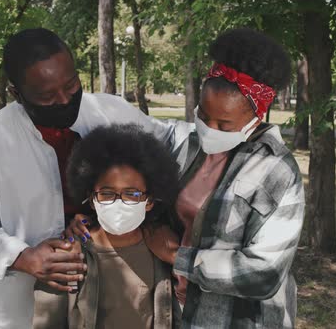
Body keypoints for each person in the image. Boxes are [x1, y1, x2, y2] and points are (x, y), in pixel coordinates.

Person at [0, 28, 184, 328]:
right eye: (47, 95)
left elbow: (169, 146)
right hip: (31, 303)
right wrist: (23, 257)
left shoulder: (110, 110)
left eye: (71, 85)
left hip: (124, 290)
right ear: (18, 94)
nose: (65, 99)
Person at [67, 27, 304, 328]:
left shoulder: (278, 171)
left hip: (237, 320)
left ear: (256, 117)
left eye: (225, 124)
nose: (209, 128)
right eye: (203, 115)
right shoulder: (186, 144)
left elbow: (264, 275)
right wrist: (95, 220)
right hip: (180, 311)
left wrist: (180, 257)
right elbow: (138, 188)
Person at [35, 124, 180, 328]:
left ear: (149, 201)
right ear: (91, 198)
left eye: (132, 194)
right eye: (107, 193)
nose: (119, 203)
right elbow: (48, 322)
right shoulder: (67, 256)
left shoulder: (161, 249)